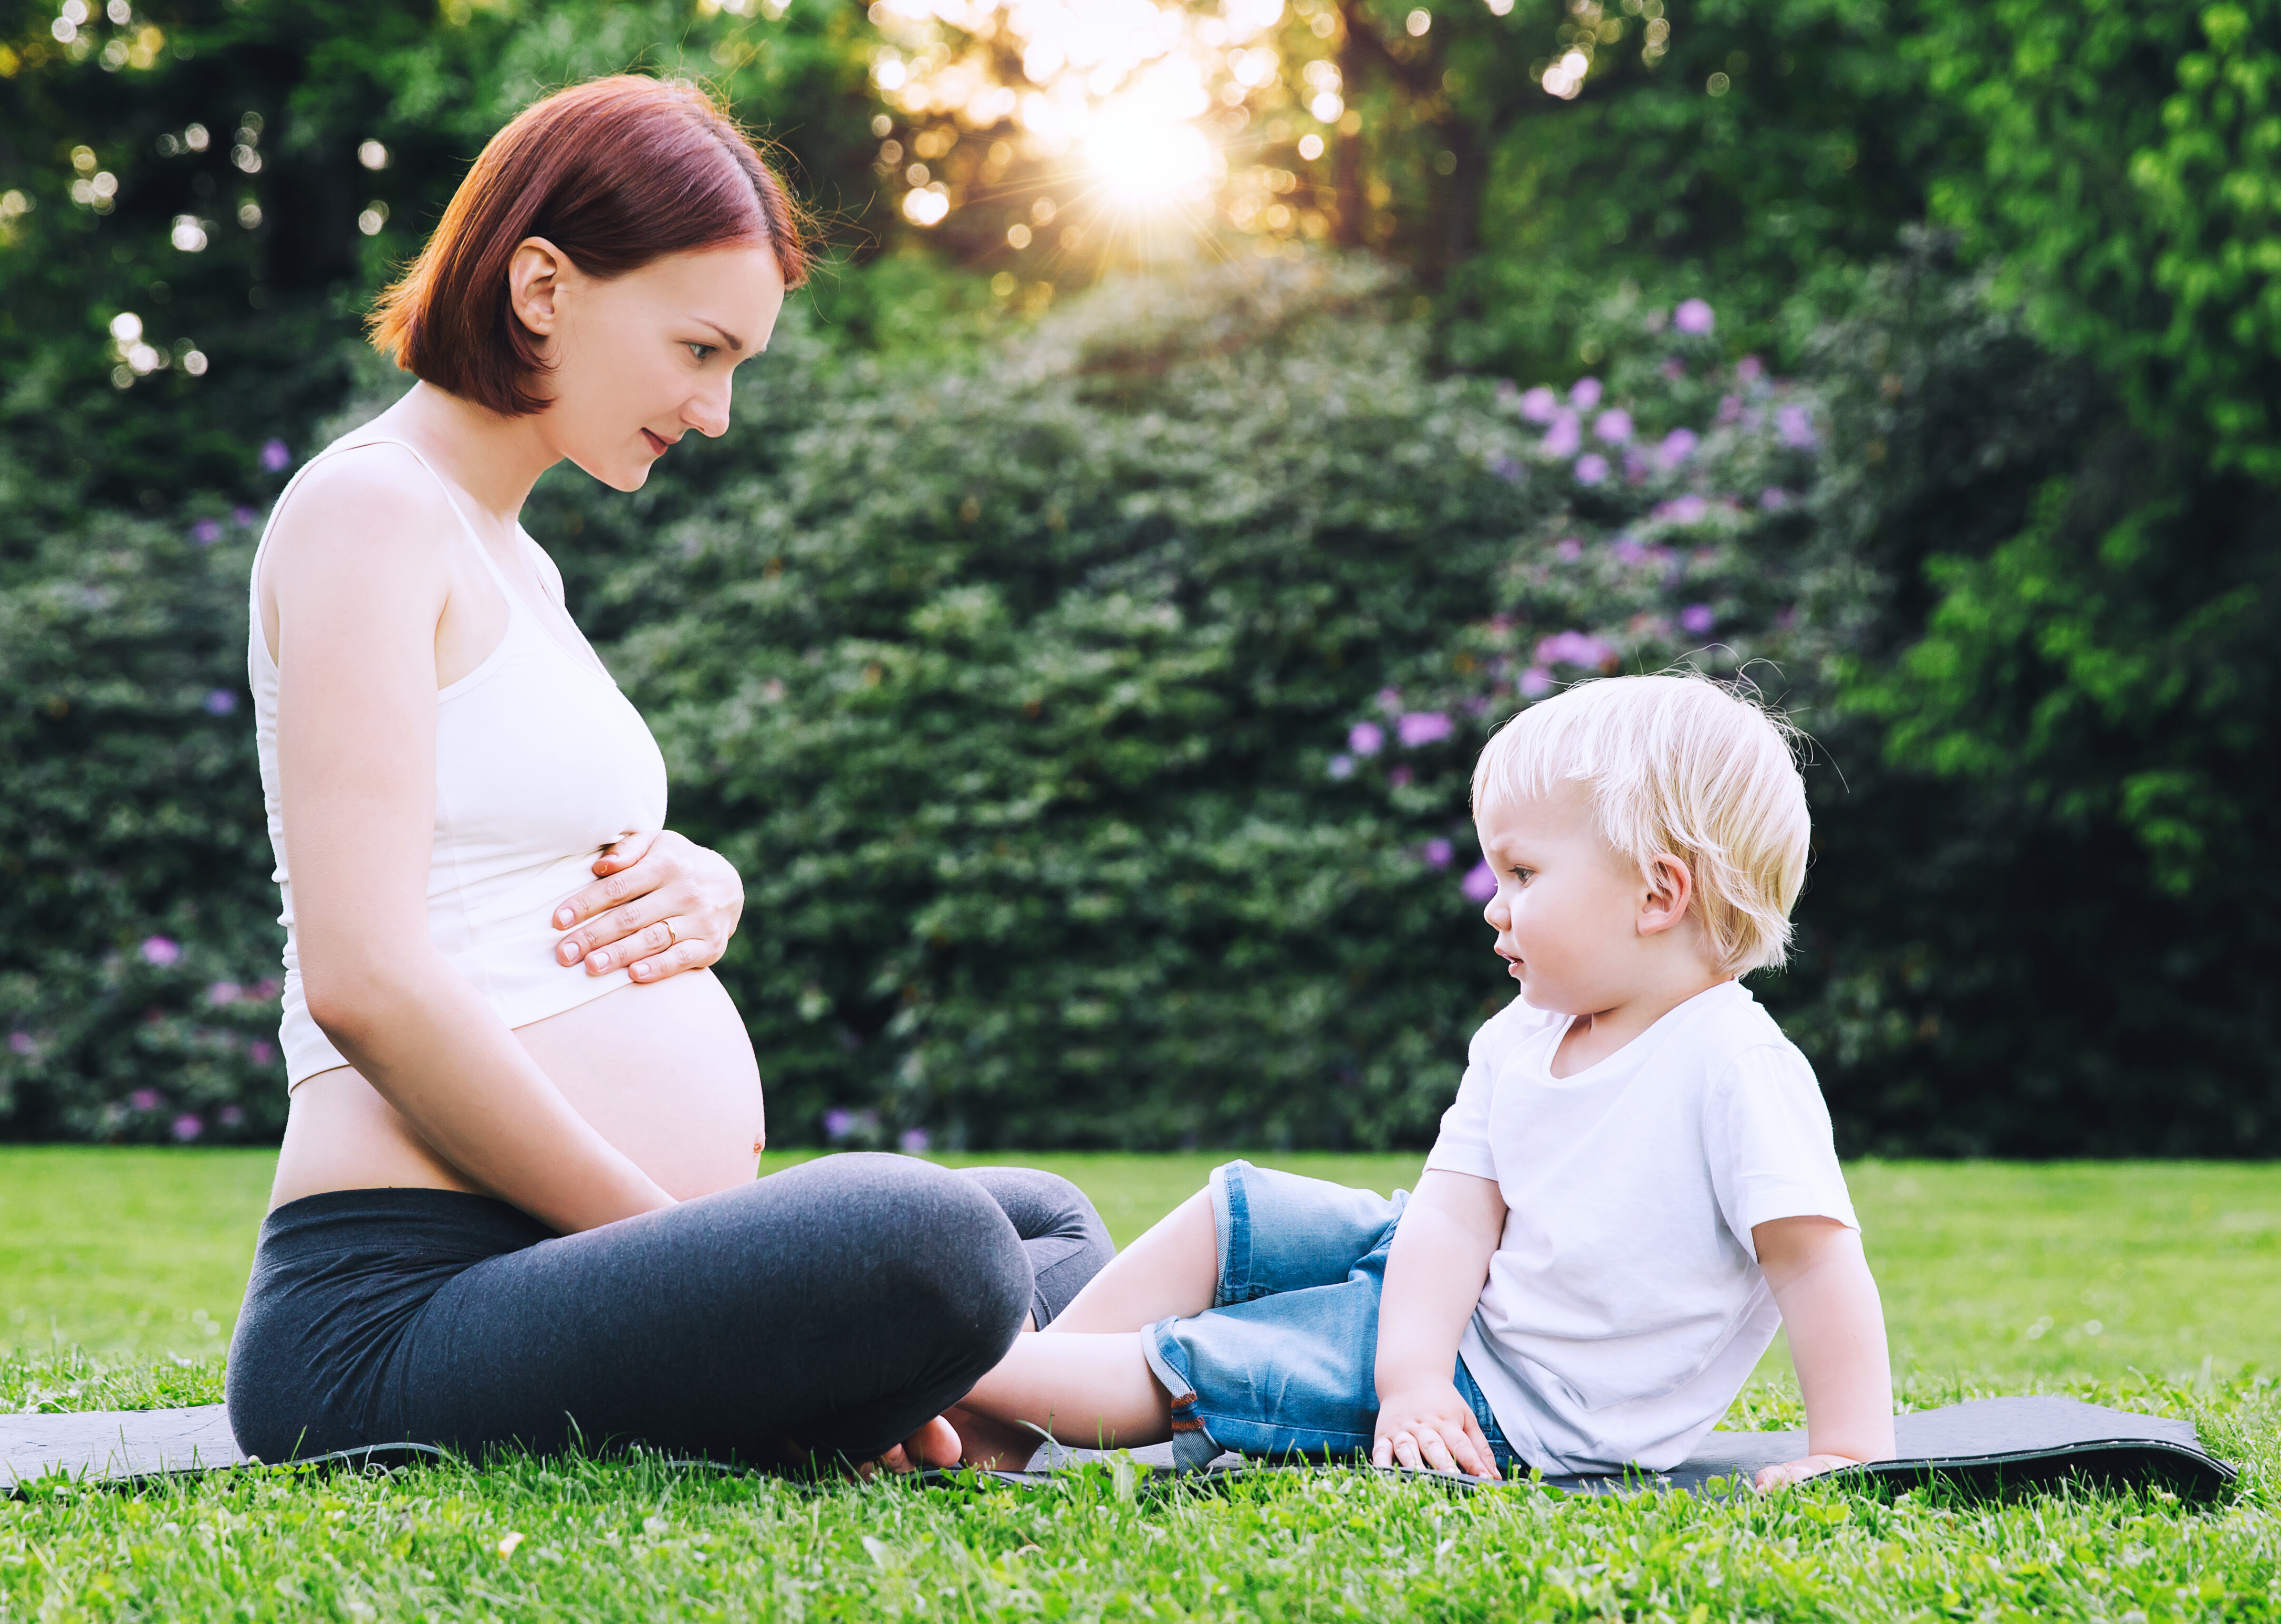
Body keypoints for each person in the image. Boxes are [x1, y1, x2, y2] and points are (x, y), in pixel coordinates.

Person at [224, 75, 1111, 1474]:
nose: (715, 411)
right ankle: (883, 1396)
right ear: (541, 285)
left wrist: (705, 874)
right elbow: (366, 975)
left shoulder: (513, 554)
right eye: (699, 348)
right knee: (925, 1244)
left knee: (1041, 1224)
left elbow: (514, 855)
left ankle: (850, 1392)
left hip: (570, 1263)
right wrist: (679, 1251)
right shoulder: (369, 508)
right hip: (397, 1307)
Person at [941, 674, 1895, 1490]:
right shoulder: (1521, 1035)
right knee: (1240, 1209)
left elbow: (1813, 1261)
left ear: (1656, 893)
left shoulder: (1733, 1065)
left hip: (1516, 1394)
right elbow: (1449, 1216)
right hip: (1453, 1305)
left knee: (1215, 1366)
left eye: (1523, 872)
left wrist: (1851, 1448)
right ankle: (1012, 1417)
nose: (1495, 904)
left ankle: (933, 1374)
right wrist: (1414, 1365)